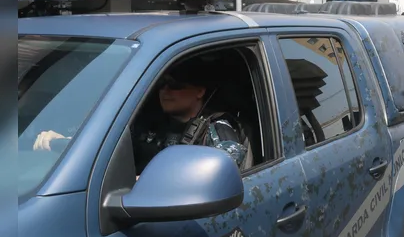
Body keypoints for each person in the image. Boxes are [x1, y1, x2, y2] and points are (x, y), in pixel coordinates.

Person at [33, 60, 248, 175]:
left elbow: (226, 169)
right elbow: (109, 146)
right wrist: (66, 142)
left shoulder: (216, 128)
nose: (165, 91)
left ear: (199, 91)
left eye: (175, 85)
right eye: (162, 85)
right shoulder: (147, 121)